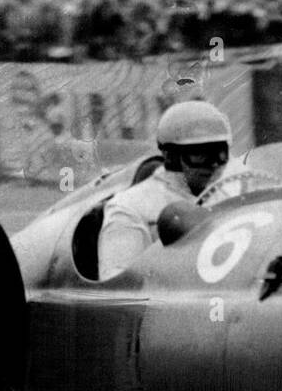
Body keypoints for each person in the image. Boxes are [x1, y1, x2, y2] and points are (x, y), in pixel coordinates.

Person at [97, 100, 241, 279]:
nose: (213, 164)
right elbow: (119, 286)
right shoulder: (130, 207)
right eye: (199, 154)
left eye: (220, 153)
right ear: (171, 156)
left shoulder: (229, 199)